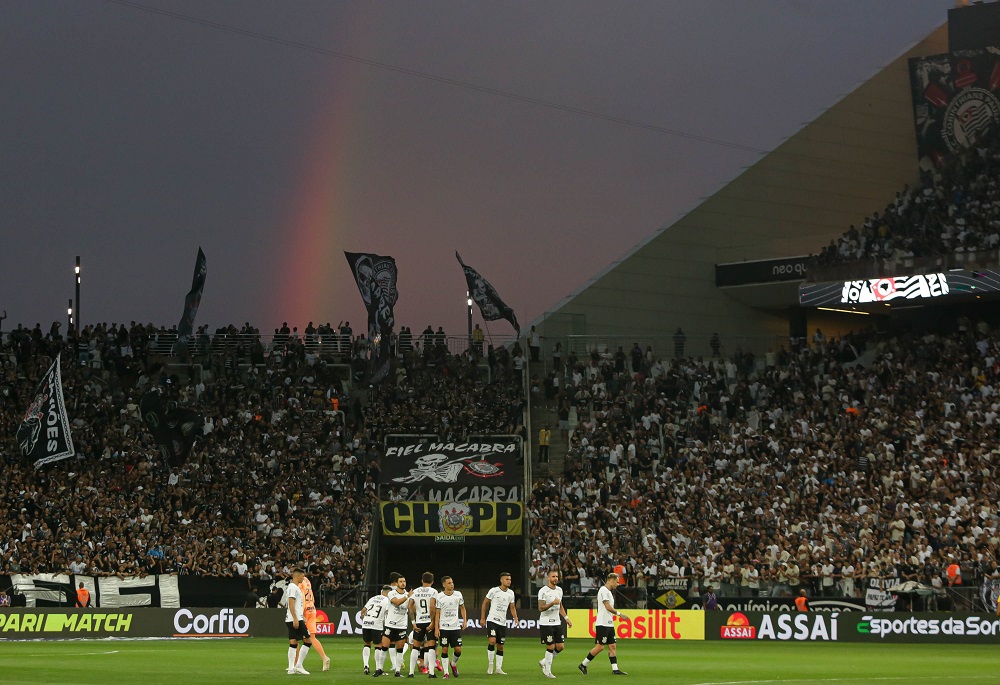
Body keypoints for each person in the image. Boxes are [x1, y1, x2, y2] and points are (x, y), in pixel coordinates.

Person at [579, 572, 627, 676]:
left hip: (609, 623)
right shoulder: (603, 590)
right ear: (611, 580)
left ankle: (615, 669)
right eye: (617, 582)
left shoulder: (608, 592)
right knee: (600, 647)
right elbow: (607, 606)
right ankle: (583, 664)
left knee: (612, 646)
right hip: (602, 623)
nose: (617, 585)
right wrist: (620, 614)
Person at [481, 571, 518, 675]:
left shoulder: (511, 593)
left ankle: (498, 668)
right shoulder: (494, 590)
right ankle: (490, 665)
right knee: (492, 641)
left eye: (510, 579)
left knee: (500, 646)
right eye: (507, 579)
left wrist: (516, 618)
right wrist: (483, 618)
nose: (509, 581)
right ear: (501, 580)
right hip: (492, 620)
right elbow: (485, 603)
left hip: (502, 622)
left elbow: (512, 607)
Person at [537, 569, 572, 679]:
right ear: (548, 578)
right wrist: (552, 603)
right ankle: (548, 671)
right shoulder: (543, 591)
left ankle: (544, 661)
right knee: (551, 646)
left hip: (557, 622)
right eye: (553, 576)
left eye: (557, 576)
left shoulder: (559, 590)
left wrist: (566, 618)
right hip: (546, 623)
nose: (555, 578)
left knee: (560, 647)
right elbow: (540, 608)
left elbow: (560, 605)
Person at [297, 571, 331, 671]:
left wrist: (301, 612)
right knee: (312, 637)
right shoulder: (307, 581)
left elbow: (302, 597)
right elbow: (311, 596)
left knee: (295, 638)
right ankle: (324, 658)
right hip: (312, 609)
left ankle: (295, 664)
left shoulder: (299, 583)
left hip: (305, 611)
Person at [381, 574, 413, 677]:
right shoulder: (391, 593)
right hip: (390, 625)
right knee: (384, 647)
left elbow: (411, 609)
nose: (403, 583)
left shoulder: (408, 595)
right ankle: (379, 669)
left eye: (404, 581)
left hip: (401, 626)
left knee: (400, 649)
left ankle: (397, 671)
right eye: (401, 581)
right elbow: (397, 602)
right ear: (397, 583)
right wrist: (408, 596)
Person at [435, 575, 467, 679]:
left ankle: (453, 663)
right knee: (444, 650)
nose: (452, 584)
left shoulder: (458, 594)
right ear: (444, 585)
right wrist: (436, 628)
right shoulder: (439, 596)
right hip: (444, 627)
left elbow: (462, 608)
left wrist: (465, 621)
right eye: (449, 583)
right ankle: (446, 673)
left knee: (458, 650)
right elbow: (437, 613)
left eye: (452, 582)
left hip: (455, 627)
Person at [283, 568, 314, 675]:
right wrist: (296, 618)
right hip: (294, 619)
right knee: (308, 641)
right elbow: (291, 603)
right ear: (297, 576)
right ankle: (299, 665)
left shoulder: (293, 587)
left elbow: (295, 605)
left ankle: (291, 668)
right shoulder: (293, 587)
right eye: (302, 576)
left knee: (293, 642)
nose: (303, 578)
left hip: (292, 618)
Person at [410, 571, 440, 678]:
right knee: (431, 647)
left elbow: (410, 606)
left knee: (415, 648)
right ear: (432, 581)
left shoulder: (415, 591)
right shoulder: (433, 591)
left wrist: (413, 622)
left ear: (422, 580)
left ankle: (411, 673)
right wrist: (433, 622)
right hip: (429, 622)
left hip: (418, 622)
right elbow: (432, 606)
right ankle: (431, 673)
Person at [361, 585, 392, 675]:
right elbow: (388, 614)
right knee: (378, 645)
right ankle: (378, 668)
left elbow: (363, 611)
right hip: (376, 624)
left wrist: (365, 619)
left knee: (367, 644)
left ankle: (366, 666)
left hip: (366, 622)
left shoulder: (373, 598)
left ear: (382, 592)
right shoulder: (388, 601)